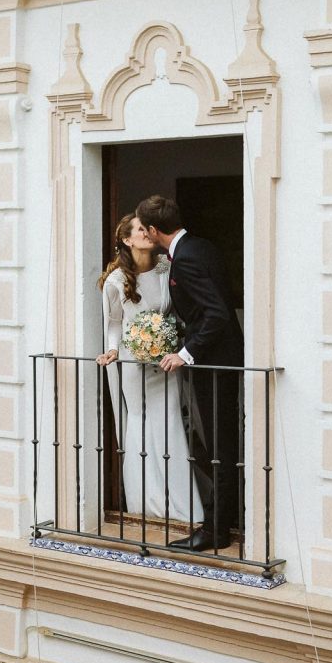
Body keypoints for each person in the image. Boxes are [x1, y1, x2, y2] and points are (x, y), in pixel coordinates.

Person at [136, 195, 244, 552]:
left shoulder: (185, 260)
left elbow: (216, 314)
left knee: (218, 448)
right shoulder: (202, 247)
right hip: (220, 359)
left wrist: (185, 353)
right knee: (220, 445)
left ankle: (216, 530)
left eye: (145, 229)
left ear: (153, 230)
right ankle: (220, 522)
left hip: (213, 364)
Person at [97, 214, 204, 526]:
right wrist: (114, 350)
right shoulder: (116, 281)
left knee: (170, 422)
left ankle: (183, 508)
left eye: (147, 229)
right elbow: (115, 322)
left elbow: (180, 308)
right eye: (140, 230)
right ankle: (147, 504)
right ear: (127, 240)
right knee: (140, 425)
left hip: (166, 359)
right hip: (133, 359)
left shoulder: (166, 268)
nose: (147, 233)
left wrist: (175, 336)